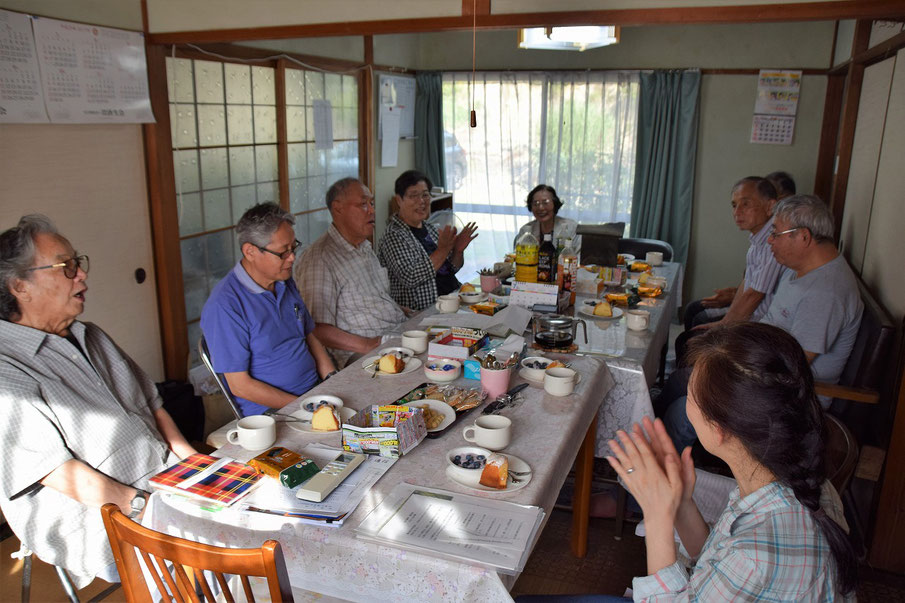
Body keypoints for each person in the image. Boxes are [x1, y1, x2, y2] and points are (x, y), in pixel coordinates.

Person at [0, 215, 196, 589]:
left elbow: (152, 404)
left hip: (162, 480)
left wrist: (194, 463)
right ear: (20, 286)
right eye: (66, 267)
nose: (82, 276)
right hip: (96, 512)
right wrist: (143, 506)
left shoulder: (90, 335)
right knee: (216, 562)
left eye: (79, 264)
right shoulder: (6, 369)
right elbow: (57, 472)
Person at [607, 323, 856, 601]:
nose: (686, 402)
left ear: (719, 430)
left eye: (690, 396)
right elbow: (718, 561)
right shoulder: (793, 482)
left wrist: (656, 517)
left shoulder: (757, 554)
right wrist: (682, 504)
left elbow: (739, 564)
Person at [661, 194, 863, 451]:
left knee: (683, 413)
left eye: (776, 233)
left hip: (788, 395)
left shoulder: (827, 292)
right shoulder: (798, 268)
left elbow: (792, 365)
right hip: (765, 372)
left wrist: (729, 366)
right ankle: (648, 437)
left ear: (802, 237)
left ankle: (661, 477)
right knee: (681, 379)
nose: (769, 240)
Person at [201, 203, 336, 417]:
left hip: (314, 395)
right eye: (283, 252)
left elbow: (309, 335)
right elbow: (240, 385)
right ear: (250, 251)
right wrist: (304, 407)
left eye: (294, 247)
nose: (292, 258)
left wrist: (332, 379)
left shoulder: (283, 279)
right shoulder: (225, 306)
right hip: (274, 411)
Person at [295, 178, 407, 367]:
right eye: (363, 204)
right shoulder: (320, 259)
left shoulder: (363, 245)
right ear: (338, 208)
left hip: (395, 332)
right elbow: (316, 328)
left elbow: (372, 299)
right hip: (363, 353)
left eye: (371, 203)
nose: (372, 210)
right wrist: (371, 344)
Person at [680, 177, 783, 339]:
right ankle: (687, 363)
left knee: (695, 330)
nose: (737, 212)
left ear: (770, 206)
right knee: (692, 310)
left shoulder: (773, 242)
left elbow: (755, 295)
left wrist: (724, 324)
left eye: (746, 204)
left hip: (760, 322)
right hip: (750, 313)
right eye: (734, 205)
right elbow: (746, 284)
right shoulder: (756, 240)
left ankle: (693, 362)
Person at [377, 170, 478, 310]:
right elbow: (411, 277)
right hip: (427, 312)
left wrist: (458, 251)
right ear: (399, 200)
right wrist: (443, 250)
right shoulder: (393, 236)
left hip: (454, 299)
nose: (421, 201)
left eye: (425, 195)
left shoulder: (430, 228)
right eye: (413, 196)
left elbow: (450, 269)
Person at [513, 184, 582, 251]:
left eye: (545, 202)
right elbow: (518, 256)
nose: (541, 208)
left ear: (555, 204)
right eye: (535, 203)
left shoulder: (571, 227)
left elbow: (578, 256)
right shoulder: (526, 230)